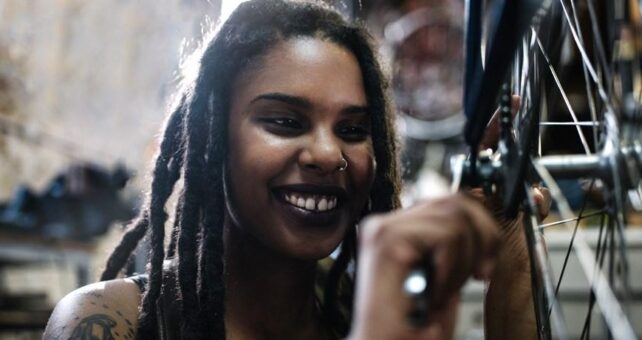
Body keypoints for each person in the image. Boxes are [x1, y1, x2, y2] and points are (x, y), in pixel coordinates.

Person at [43, 1, 542, 339]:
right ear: (213, 143)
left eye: (352, 130)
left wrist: (513, 240)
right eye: (284, 122)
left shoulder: (366, 302)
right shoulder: (108, 322)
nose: (328, 155)